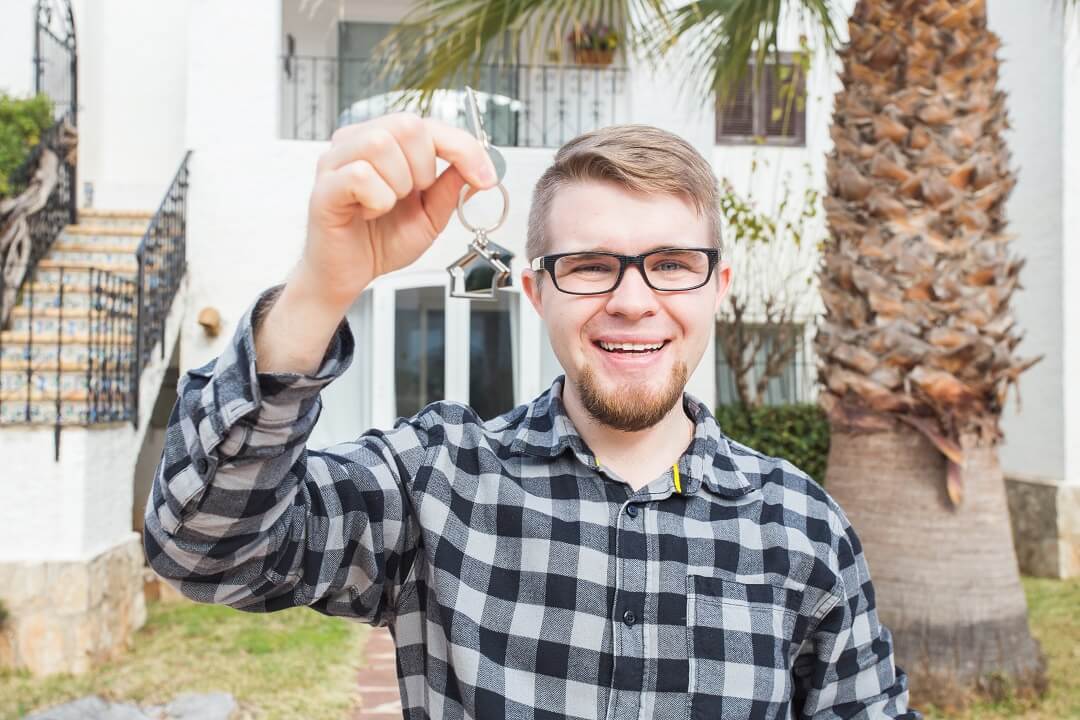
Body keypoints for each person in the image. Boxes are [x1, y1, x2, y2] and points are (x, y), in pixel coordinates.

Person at [144, 113, 919, 719]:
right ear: (536, 291)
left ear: (717, 288)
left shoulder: (802, 527)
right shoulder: (440, 480)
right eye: (589, 266)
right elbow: (204, 550)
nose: (632, 300)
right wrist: (322, 283)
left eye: (672, 264)